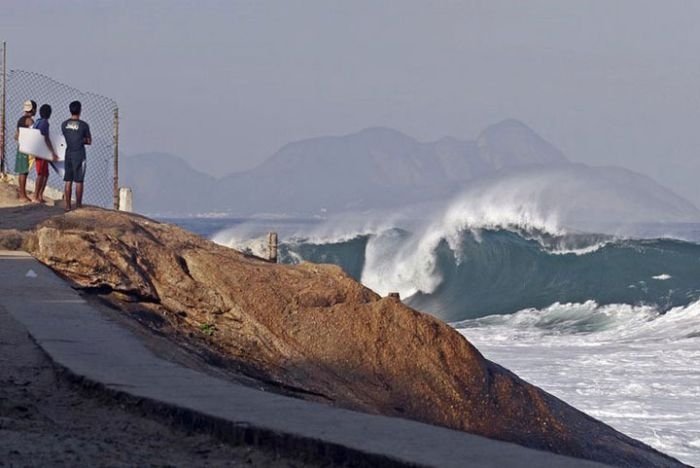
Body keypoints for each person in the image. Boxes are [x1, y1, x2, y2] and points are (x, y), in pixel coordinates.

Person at [61, 100, 91, 211]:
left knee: (68, 180)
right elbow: (89, 141)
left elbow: (68, 137)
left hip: (68, 153)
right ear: (80, 110)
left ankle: (67, 205)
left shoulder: (64, 125)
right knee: (79, 180)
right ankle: (78, 205)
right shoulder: (84, 125)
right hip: (79, 153)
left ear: (70, 110)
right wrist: (81, 140)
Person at [32, 104, 59, 204]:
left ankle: (39, 195)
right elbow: (46, 138)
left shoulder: (38, 122)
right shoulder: (45, 123)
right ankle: (36, 196)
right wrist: (52, 152)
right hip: (41, 151)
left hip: (39, 150)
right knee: (41, 174)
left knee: (45, 174)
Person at [13, 100, 36, 203]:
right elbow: (33, 135)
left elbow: (16, 136)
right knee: (24, 172)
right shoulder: (30, 121)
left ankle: (23, 194)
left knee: (22, 171)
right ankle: (23, 195)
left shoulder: (20, 120)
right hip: (26, 148)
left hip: (20, 147)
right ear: (33, 110)